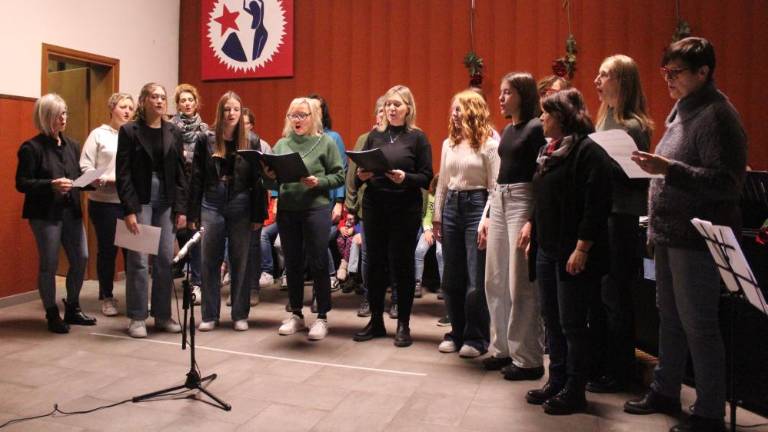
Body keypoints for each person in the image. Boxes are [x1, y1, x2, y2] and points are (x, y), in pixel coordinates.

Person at [626, 37, 747, 432]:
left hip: (696, 240)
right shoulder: (682, 111)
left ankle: (710, 412)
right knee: (670, 319)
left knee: (699, 325)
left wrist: (668, 169)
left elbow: (727, 183)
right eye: (665, 72)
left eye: (675, 73)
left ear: (703, 72)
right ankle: (665, 390)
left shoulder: (717, 115)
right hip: (668, 234)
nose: (668, 80)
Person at [526, 88, 612, 415]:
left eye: (546, 113)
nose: (541, 118)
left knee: (572, 324)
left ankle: (575, 389)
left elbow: (596, 205)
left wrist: (582, 248)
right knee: (551, 319)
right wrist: (532, 226)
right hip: (547, 249)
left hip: (572, 251)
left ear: (562, 117)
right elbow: (543, 197)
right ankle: (556, 380)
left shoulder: (589, 152)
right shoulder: (548, 151)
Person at [588, 54, 654, 392]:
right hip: (601, 214)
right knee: (601, 294)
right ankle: (601, 364)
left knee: (616, 295)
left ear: (622, 80)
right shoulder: (604, 120)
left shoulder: (634, 126)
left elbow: (640, 177)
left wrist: (605, 167)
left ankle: (620, 371)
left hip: (621, 216)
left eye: (604, 75)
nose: (597, 81)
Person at [353, 85, 433, 347]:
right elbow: (357, 176)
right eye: (388, 104)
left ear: (408, 108)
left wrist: (405, 177)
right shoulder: (374, 136)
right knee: (375, 265)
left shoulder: (417, 138)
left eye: (397, 104)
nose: (391, 109)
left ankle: (403, 325)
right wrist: (361, 175)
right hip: (375, 205)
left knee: (402, 266)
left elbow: (426, 177)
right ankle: (376, 322)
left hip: (404, 207)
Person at [479, 72, 547, 378]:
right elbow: (499, 175)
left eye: (508, 92)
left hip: (522, 198)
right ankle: (502, 348)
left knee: (520, 283)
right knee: (494, 279)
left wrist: (533, 218)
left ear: (523, 94)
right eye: (501, 91)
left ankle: (528, 358)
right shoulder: (507, 130)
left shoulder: (536, 128)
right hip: (500, 198)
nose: (501, 97)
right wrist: (489, 212)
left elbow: (541, 175)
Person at [264, 97, 344, 341]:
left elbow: (339, 176)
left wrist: (319, 182)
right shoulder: (281, 144)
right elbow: (271, 183)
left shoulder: (325, 142)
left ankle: (322, 317)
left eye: (302, 115)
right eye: (293, 115)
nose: (297, 120)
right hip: (288, 210)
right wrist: (268, 177)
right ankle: (296, 314)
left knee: (318, 262)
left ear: (313, 117)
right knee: (293, 263)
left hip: (315, 209)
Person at [15, 93, 96, 333]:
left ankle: (72, 307)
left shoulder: (72, 145)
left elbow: (75, 179)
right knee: (49, 264)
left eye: (65, 113)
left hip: (71, 211)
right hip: (45, 214)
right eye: (58, 114)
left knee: (81, 258)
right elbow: (22, 183)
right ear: (46, 117)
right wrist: (50, 184)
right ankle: (52, 313)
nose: (64, 118)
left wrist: (92, 182)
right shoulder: (31, 148)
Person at [187, 91, 267, 332]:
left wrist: (258, 214)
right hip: (212, 201)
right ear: (220, 112)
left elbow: (258, 180)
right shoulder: (206, 138)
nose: (231, 113)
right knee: (209, 259)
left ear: (241, 112)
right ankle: (209, 315)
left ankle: (240, 314)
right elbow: (197, 177)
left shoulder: (251, 140)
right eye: (227, 109)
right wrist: (192, 214)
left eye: (236, 109)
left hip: (241, 202)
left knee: (240, 260)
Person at [116, 82, 187, 338]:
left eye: (162, 97)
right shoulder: (129, 130)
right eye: (154, 96)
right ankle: (137, 317)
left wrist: (181, 208)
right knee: (138, 260)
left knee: (165, 260)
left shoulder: (173, 131)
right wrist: (129, 210)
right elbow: (123, 173)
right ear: (143, 100)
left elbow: (181, 172)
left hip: (166, 202)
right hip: (141, 201)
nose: (159, 101)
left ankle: (162, 315)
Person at [433, 90, 498, 358]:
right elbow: (442, 184)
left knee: (475, 279)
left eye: (459, 109)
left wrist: (485, 220)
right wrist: (437, 215)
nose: (454, 114)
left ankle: (476, 338)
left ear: (473, 110)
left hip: (476, 206)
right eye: (453, 109)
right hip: (451, 206)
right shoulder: (448, 144)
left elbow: (494, 188)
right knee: (451, 278)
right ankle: (456, 333)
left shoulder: (489, 145)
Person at [80, 92, 136, 317]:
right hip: (104, 203)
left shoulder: (135, 134)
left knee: (134, 253)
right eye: (123, 107)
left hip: (130, 203)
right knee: (107, 252)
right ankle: (107, 296)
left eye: (130, 108)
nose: (127, 111)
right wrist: (102, 179)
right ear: (112, 109)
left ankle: (136, 297)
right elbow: (86, 166)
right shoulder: (98, 134)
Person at [345, 96, 386, 317]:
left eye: (386, 111)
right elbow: (352, 177)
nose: (383, 116)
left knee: (393, 256)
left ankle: (395, 300)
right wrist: (351, 208)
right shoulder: (364, 139)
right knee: (368, 256)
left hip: (395, 206)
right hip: (368, 207)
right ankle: (369, 298)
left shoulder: (401, 139)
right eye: (380, 111)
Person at [170, 83, 208, 305]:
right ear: (178, 104)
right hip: (176, 185)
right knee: (177, 233)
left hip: (197, 187)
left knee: (195, 236)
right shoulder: (170, 128)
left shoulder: (205, 129)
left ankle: (197, 283)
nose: (187, 103)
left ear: (196, 103)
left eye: (190, 100)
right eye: (183, 100)